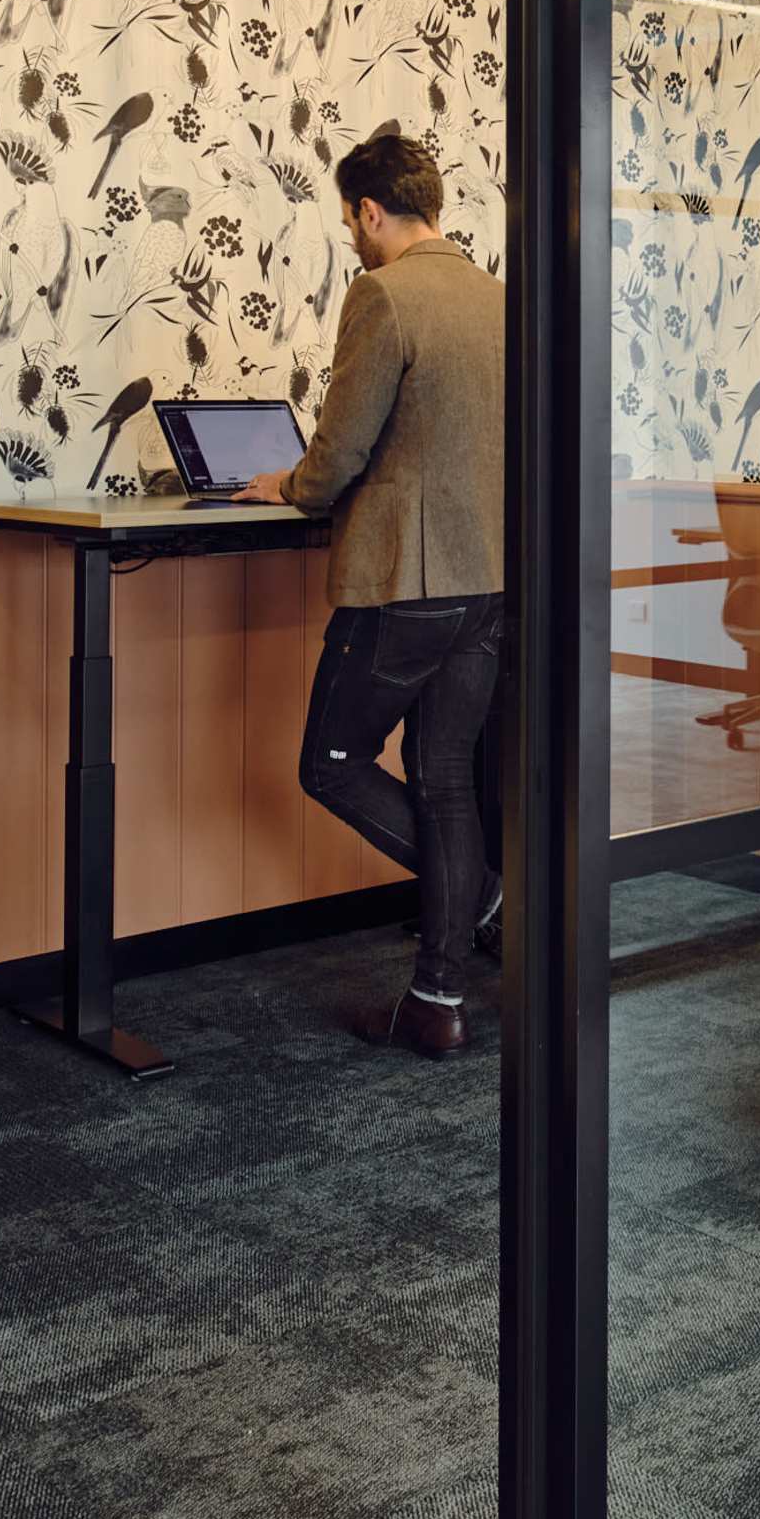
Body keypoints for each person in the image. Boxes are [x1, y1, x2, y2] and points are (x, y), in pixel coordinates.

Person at [238, 126, 507, 1056]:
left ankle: (482, 895)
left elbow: (341, 451)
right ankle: (438, 1003)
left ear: (367, 210)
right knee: (443, 783)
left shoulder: (382, 294)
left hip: (406, 584)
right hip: (491, 585)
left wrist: (290, 484)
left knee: (334, 764)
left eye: (350, 219)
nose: (352, 236)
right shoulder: (500, 298)